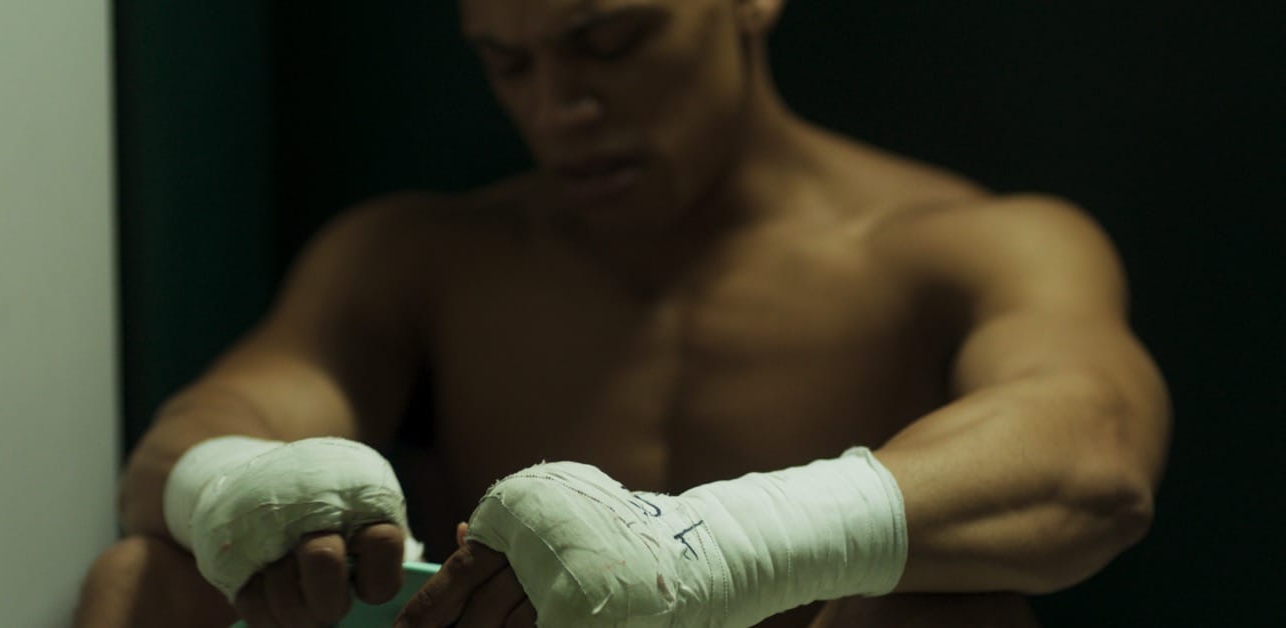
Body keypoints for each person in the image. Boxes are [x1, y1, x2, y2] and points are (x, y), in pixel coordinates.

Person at [75, 0, 1170, 626]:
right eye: (510, 64)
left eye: (612, 42)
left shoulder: (970, 243)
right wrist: (239, 486)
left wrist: (696, 550)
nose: (560, 110)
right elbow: (189, 439)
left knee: (942, 617)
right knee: (143, 583)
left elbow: (1093, 452)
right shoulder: (421, 257)